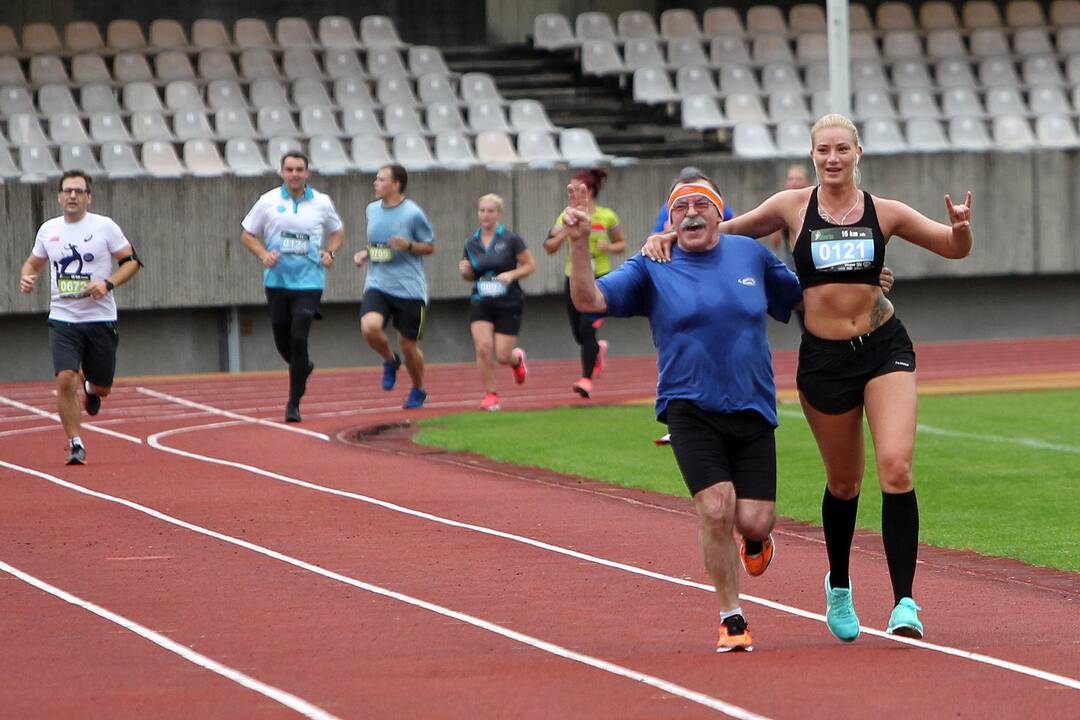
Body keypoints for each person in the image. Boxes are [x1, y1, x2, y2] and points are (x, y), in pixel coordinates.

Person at [644, 113, 973, 642]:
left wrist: (960, 227)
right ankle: (839, 586)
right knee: (844, 483)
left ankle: (904, 602)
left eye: (842, 149)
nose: (833, 158)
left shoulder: (884, 212)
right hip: (824, 360)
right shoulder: (790, 207)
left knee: (895, 467)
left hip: (884, 346)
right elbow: (721, 232)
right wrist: (667, 236)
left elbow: (954, 248)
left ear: (858, 152)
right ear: (814, 154)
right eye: (823, 150)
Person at [568, 176, 804, 652]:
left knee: (755, 521)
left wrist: (864, 283)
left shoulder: (751, 255)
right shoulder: (654, 263)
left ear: (721, 213)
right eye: (680, 208)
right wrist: (578, 244)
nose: (691, 214)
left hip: (753, 406)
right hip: (688, 407)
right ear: (669, 219)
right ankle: (731, 617)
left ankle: (755, 541)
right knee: (715, 507)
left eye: (702, 205)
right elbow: (589, 299)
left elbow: (801, 296)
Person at [18, 170, 142, 465]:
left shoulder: (104, 227)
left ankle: (91, 389)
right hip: (63, 318)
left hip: (100, 318)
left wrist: (107, 283)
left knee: (103, 386)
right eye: (67, 191)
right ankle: (75, 442)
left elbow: (132, 261)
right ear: (60, 197)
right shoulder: (49, 230)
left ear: (89, 196)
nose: (72, 196)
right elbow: (34, 262)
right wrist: (27, 277)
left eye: (79, 191)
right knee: (64, 379)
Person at [241, 151, 344, 423]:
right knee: (282, 340)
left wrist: (330, 253)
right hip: (277, 281)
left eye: (299, 169)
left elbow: (338, 232)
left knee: (299, 337)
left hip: (310, 281)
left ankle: (293, 403)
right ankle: (303, 367)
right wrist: (263, 254)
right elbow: (247, 234)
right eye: (290, 169)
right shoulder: (268, 201)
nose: (295, 174)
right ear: (282, 172)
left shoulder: (322, 203)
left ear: (307, 172)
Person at [354, 164, 435, 409]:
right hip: (378, 283)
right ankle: (390, 360)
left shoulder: (413, 214)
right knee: (369, 327)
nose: (375, 184)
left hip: (409, 288)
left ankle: (419, 389)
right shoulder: (372, 210)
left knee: (409, 345)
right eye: (376, 179)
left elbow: (430, 247)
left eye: (381, 180)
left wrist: (408, 246)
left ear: (396, 185)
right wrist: (365, 254)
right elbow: (379, 245)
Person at [543, 168, 625, 398]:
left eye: (577, 188)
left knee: (586, 330)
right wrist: (565, 234)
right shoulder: (565, 216)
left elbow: (621, 244)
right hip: (574, 279)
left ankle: (586, 379)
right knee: (578, 334)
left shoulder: (607, 216)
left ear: (588, 191)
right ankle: (597, 351)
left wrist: (608, 247)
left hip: (601, 280)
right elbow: (549, 247)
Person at [458, 194, 536, 411]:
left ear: (498, 214)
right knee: (483, 348)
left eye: (490, 211)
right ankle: (491, 395)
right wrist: (466, 273)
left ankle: (516, 361)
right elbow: (470, 275)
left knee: (502, 355)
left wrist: (511, 275)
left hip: (508, 301)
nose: (485, 215)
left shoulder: (511, 239)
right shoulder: (471, 242)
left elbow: (530, 265)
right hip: (480, 300)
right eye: (482, 210)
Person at [768, 164, 813, 330]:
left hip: (815, 272)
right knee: (805, 320)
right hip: (795, 273)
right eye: (791, 179)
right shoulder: (784, 208)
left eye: (799, 179)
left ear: (808, 182)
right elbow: (776, 242)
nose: (794, 183)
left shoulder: (815, 206)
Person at [652, 165, 735, 232]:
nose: (691, 213)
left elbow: (733, 221)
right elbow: (654, 236)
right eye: (681, 206)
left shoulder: (713, 200)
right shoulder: (668, 207)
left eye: (701, 204)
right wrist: (666, 234)